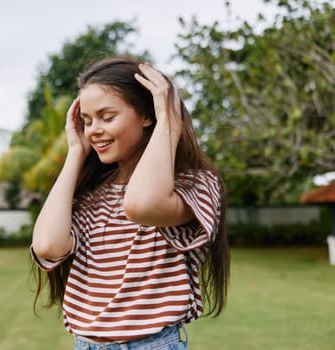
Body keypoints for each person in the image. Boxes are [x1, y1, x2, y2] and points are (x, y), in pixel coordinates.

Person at [30, 57, 230, 349]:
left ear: (147, 115)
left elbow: (142, 205)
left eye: (107, 117)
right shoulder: (89, 196)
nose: (94, 130)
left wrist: (169, 122)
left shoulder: (194, 185)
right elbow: (47, 246)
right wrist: (75, 151)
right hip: (86, 344)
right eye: (86, 121)